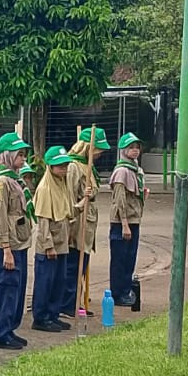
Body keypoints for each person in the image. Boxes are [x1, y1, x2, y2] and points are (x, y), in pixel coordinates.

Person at [0, 135, 33, 350]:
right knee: (6, 288)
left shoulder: (16, 180)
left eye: (24, 154)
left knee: (17, 289)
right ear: (8, 155)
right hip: (8, 245)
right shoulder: (2, 182)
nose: (23, 159)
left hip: (20, 243)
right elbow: (1, 217)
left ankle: (10, 328)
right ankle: (0, 333)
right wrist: (6, 248)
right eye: (19, 154)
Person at [29, 147, 75, 331]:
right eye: (59, 166)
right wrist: (48, 246)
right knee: (45, 282)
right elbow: (43, 221)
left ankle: (53, 314)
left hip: (62, 243)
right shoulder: (45, 188)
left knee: (59, 281)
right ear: (50, 167)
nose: (63, 169)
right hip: (49, 246)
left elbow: (66, 212)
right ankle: (41, 317)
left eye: (65, 166)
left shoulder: (62, 185)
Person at [68, 127, 106, 319]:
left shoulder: (89, 167)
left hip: (89, 220)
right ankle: (69, 304)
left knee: (82, 265)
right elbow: (71, 195)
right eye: (97, 149)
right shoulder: (74, 166)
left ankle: (78, 301)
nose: (100, 153)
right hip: (78, 221)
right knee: (74, 265)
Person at [108, 132, 145, 309]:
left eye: (137, 147)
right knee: (120, 260)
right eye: (131, 147)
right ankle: (118, 294)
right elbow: (119, 201)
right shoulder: (122, 171)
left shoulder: (134, 169)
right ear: (123, 150)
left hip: (134, 220)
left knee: (130, 259)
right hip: (123, 223)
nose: (135, 150)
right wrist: (124, 224)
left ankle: (125, 291)